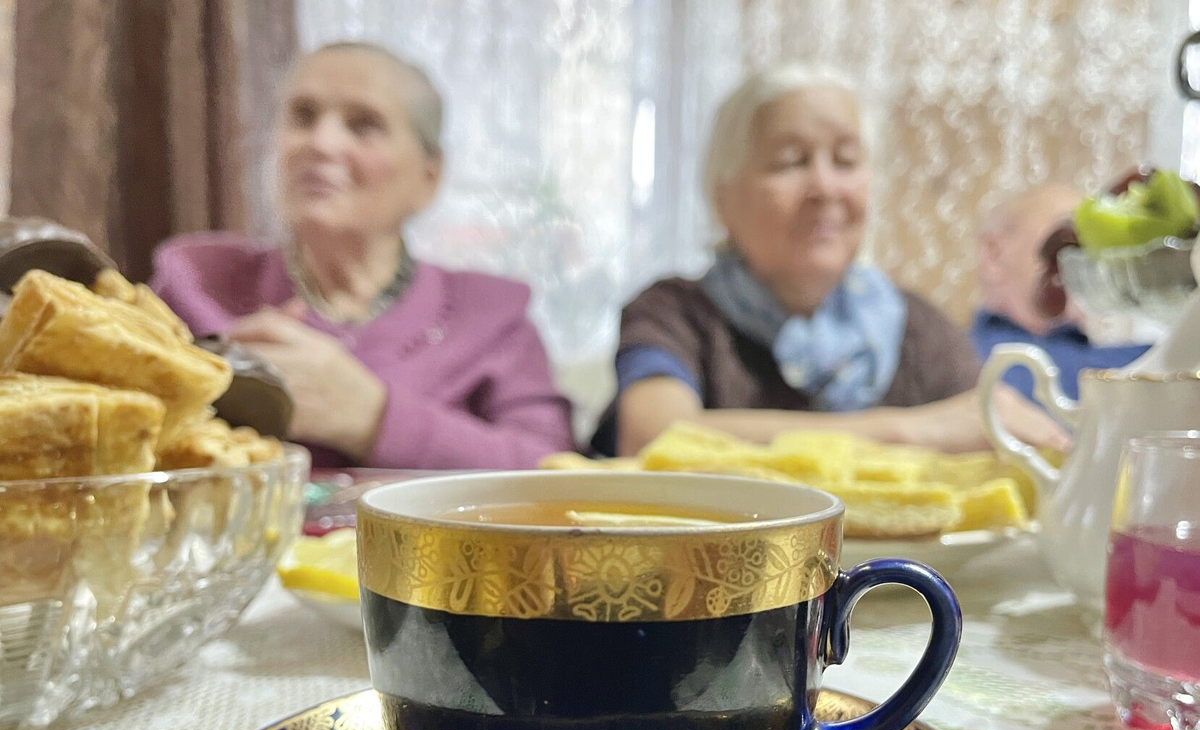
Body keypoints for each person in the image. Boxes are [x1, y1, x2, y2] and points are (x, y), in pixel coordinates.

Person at [151, 42, 573, 470]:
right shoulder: (197, 284)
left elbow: (551, 471)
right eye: (303, 116)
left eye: (364, 124)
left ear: (429, 176)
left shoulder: (490, 317)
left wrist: (373, 418)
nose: (321, 143)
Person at [609, 64, 1066, 457]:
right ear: (722, 197)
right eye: (791, 161)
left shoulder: (916, 329)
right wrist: (911, 432)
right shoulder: (676, 314)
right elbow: (653, 437)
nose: (825, 188)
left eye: (846, 161)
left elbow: (997, 427)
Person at [972, 183, 1150, 401]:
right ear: (993, 254)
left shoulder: (1117, 355)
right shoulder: (970, 362)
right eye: (1069, 230)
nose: (1090, 250)